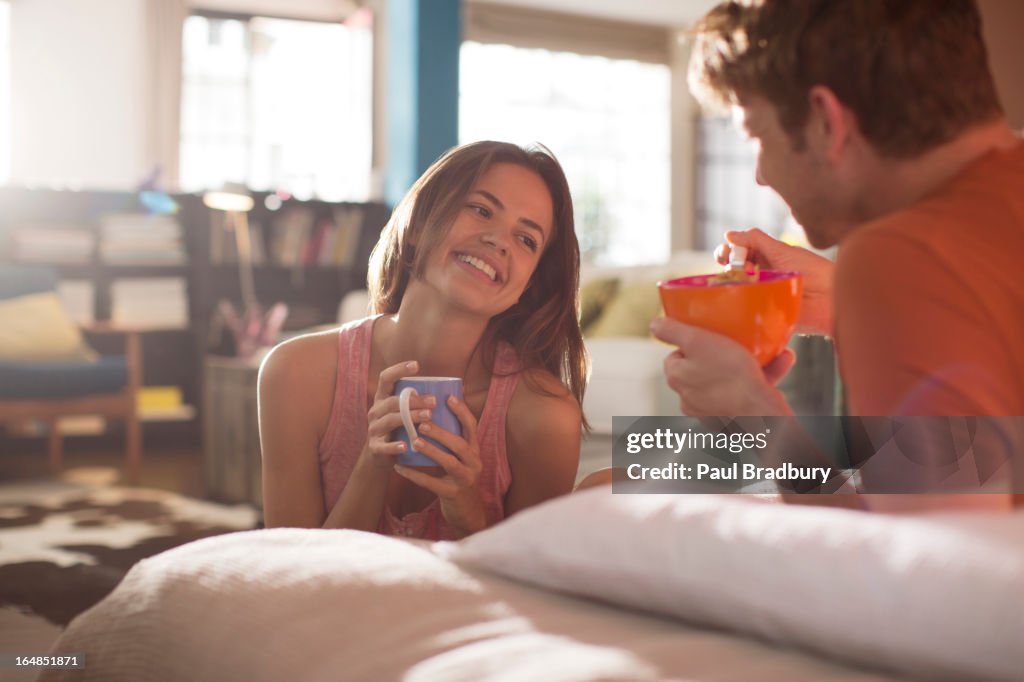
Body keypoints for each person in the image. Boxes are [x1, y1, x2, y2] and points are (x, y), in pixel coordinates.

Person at [650, 0, 1023, 510]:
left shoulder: (899, 255)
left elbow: (930, 566)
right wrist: (839, 306)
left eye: (757, 137)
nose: (760, 175)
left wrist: (760, 423)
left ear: (826, 120)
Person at [259, 141, 587, 538]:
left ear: (528, 287)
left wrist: (470, 516)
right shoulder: (295, 374)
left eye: (526, 240)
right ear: (416, 224)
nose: (499, 240)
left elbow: (533, 589)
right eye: (481, 210)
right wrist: (371, 467)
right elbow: (288, 577)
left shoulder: (544, 417)